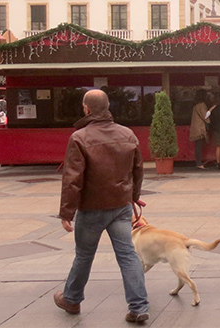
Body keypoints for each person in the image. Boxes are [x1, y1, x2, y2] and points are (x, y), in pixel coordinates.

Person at [54, 89, 149, 323]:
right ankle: (138, 307)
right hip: (121, 205)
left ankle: (72, 299)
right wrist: (133, 196)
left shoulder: (79, 137)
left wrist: (67, 212)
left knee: (84, 256)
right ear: (108, 107)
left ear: (86, 109)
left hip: (91, 207)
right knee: (127, 254)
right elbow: (138, 170)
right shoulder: (127, 134)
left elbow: (73, 179)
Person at [189, 91, 210, 169]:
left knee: (198, 146)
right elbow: (205, 116)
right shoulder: (202, 105)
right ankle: (199, 163)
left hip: (195, 127)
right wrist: (210, 110)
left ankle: (199, 162)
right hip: (200, 128)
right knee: (199, 146)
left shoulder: (195, 105)